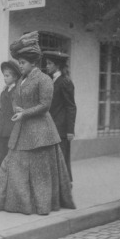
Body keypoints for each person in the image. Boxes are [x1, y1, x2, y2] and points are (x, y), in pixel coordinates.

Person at [0, 49, 75, 215]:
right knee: (12, 164)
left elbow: (45, 105)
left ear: (33, 63)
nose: (20, 66)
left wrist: (25, 112)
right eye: (19, 62)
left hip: (41, 132)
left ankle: (40, 204)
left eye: (23, 63)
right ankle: (15, 203)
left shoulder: (44, 79)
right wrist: (17, 109)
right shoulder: (21, 80)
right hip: (22, 129)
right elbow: (16, 100)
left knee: (39, 171)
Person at [43, 51, 77, 182]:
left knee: (61, 159)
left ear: (57, 65)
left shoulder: (65, 82)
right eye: (47, 63)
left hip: (61, 128)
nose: (47, 66)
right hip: (51, 126)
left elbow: (71, 106)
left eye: (50, 63)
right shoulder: (52, 81)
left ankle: (65, 187)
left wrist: (70, 130)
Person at [0, 60, 21, 167]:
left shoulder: (16, 91)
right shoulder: (5, 91)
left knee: (10, 160)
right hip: (2, 130)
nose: (4, 78)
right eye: (4, 76)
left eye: (7, 76)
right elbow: (5, 106)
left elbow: (15, 109)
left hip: (11, 130)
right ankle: (3, 182)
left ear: (15, 77)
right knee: (1, 159)